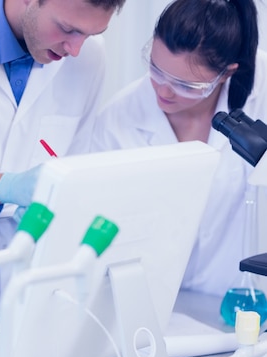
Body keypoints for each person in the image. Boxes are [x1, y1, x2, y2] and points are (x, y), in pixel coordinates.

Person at [0, 0, 126, 315]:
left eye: (90, 34)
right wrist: (1, 187)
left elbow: (74, 166)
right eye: (68, 29)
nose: (76, 49)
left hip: (38, 293)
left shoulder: (90, 58)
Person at [91, 0, 266, 296]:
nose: (163, 91)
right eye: (156, 70)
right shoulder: (117, 120)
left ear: (227, 73)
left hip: (249, 302)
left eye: (186, 85)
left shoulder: (261, 93)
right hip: (157, 304)